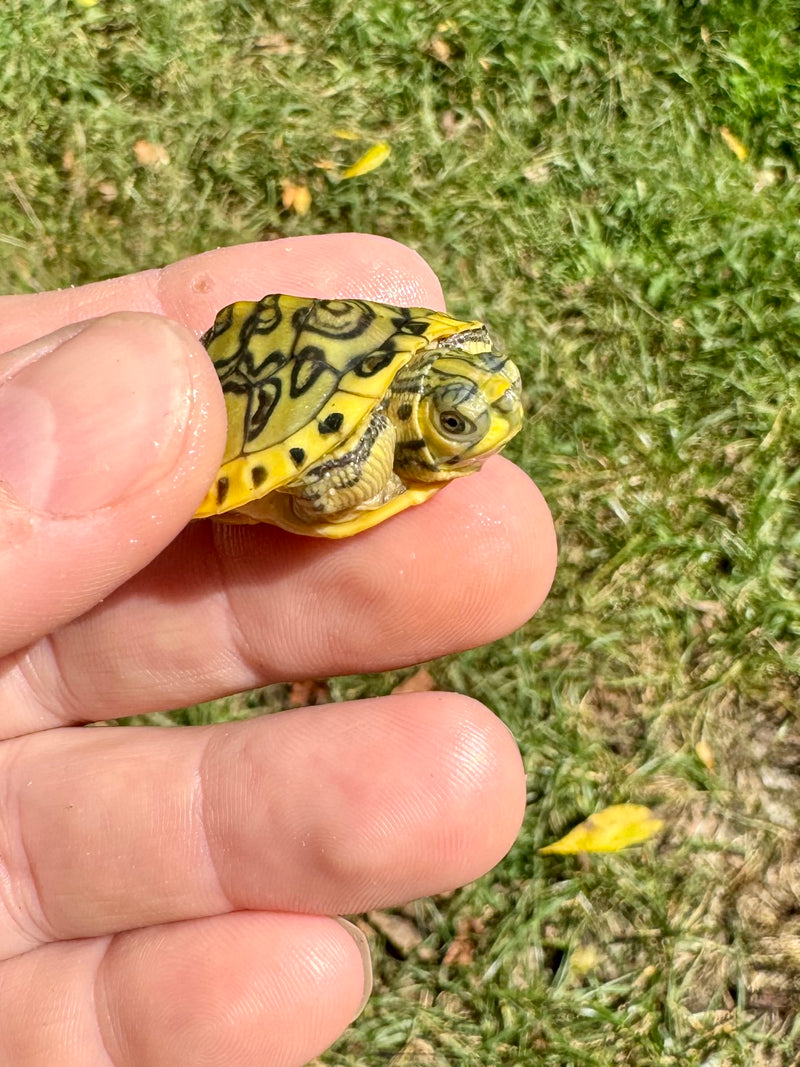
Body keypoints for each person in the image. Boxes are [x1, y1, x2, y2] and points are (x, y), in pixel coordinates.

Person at [0, 233, 556, 1065]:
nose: (478, 434)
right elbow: (325, 489)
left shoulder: (419, 375)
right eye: (452, 422)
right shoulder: (375, 434)